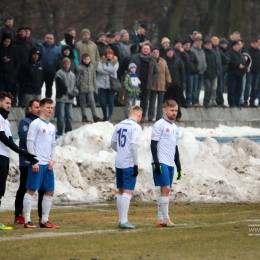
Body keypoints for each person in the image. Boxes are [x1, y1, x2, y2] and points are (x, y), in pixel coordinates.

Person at [0, 92, 37, 230]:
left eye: (10, 103)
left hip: (4, 156)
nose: (9, 106)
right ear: (0, 103)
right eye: (7, 103)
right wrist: (21, 151)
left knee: (1, 188)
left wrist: (25, 154)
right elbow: (2, 138)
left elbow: (9, 140)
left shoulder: (6, 121)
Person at [23, 97, 59, 229]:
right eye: (48, 107)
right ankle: (27, 220)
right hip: (37, 163)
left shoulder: (51, 126)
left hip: (48, 164)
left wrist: (53, 159)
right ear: (41, 108)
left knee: (50, 191)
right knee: (31, 190)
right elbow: (30, 142)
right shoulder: (35, 124)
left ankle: (44, 220)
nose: (50, 110)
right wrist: (34, 161)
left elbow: (53, 145)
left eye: (51, 107)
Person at [150, 99, 182, 227]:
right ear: (165, 110)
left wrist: (179, 167)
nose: (174, 113)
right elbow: (153, 144)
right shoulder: (159, 124)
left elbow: (176, 149)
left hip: (170, 163)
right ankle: (167, 219)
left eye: (176, 110)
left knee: (165, 191)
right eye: (172, 110)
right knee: (166, 189)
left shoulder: (175, 128)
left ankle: (160, 219)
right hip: (160, 161)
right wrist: (156, 162)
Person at [110, 105, 143, 229]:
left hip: (118, 162)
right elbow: (134, 147)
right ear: (139, 115)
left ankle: (121, 219)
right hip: (128, 163)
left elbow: (112, 144)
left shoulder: (119, 125)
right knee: (128, 191)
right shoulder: (136, 127)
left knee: (121, 190)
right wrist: (135, 163)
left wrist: (122, 151)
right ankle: (124, 221)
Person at [14, 99, 44, 224]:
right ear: (30, 109)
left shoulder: (43, 124)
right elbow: (28, 139)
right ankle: (18, 214)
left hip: (41, 160)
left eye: (39, 107)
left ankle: (42, 216)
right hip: (27, 161)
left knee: (42, 188)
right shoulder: (24, 123)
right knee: (25, 187)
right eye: (36, 107)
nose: (38, 109)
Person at [131, 44, 158, 122]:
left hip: (147, 83)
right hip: (136, 83)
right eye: (144, 48)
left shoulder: (152, 60)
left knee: (145, 101)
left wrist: (152, 79)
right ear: (141, 49)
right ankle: (133, 115)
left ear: (149, 50)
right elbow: (130, 68)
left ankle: (142, 116)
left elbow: (156, 72)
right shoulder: (135, 58)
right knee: (134, 100)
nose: (145, 50)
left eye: (147, 49)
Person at [55, 57, 78, 135]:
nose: (66, 65)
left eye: (67, 64)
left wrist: (75, 93)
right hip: (61, 98)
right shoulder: (59, 73)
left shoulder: (73, 75)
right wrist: (70, 93)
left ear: (70, 65)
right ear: (62, 64)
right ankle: (60, 132)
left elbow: (75, 86)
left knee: (69, 117)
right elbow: (61, 87)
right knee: (60, 116)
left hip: (70, 99)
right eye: (65, 63)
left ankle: (69, 132)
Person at [148, 47, 171, 121]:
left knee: (160, 103)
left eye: (157, 52)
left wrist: (168, 81)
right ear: (151, 53)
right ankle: (150, 116)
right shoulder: (149, 60)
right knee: (152, 102)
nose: (156, 54)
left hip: (162, 84)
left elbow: (167, 72)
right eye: (154, 52)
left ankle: (159, 116)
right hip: (153, 84)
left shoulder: (163, 61)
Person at [76, 54, 101, 122]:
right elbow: (77, 78)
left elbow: (94, 78)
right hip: (82, 87)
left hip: (90, 87)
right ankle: (84, 116)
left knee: (92, 101)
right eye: (85, 59)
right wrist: (78, 86)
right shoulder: (79, 67)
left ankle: (94, 115)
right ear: (82, 60)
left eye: (88, 59)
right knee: (83, 102)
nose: (86, 61)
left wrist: (95, 87)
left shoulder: (92, 67)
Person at [18, 47, 43, 114]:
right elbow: (21, 78)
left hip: (37, 92)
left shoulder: (40, 66)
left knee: (38, 111)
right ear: (31, 55)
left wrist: (39, 87)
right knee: (29, 110)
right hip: (28, 92)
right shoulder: (25, 65)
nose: (36, 56)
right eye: (34, 54)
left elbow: (41, 78)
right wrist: (25, 88)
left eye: (37, 55)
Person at [97, 49, 119, 121]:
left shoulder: (115, 62)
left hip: (111, 84)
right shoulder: (101, 61)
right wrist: (108, 71)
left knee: (110, 101)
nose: (109, 55)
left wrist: (105, 68)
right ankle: (105, 115)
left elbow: (114, 70)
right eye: (108, 54)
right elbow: (99, 70)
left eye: (111, 54)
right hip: (102, 84)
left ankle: (110, 116)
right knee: (102, 102)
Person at [164, 48, 185, 122]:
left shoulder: (178, 60)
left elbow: (182, 72)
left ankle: (178, 116)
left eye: (171, 52)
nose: (170, 53)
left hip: (176, 83)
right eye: (168, 52)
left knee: (177, 100)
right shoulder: (164, 61)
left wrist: (182, 82)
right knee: (167, 101)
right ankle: (167, 116)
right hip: (167, 84)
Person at [227, 41, 247, 107]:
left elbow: (244, 62)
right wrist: (237, 65)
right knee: (232, 89)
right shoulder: (230, 53)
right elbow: (230, 62)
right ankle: (232, 103)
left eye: (238, 45)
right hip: (232, 74)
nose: (237, 46)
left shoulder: (240, 53)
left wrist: (245, 68)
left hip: (240, 74)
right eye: (235, 45)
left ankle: (237, 102)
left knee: (239, 89)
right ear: (232, 46)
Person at [243, 39, 260, 107]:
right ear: (251, 44)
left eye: (256, 43)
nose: (255, 44)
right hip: (250, 72)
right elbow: (246, 60)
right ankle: (245, 100)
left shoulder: (258, 52)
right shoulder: (248, 51)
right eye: (253, 43)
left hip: (257, 72)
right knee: (248, 86)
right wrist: (247, 67)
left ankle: (252, 101)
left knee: (255, 87)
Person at [191, 37, 207, 106]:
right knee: (194, 88)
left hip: (202, 72)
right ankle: (194, 101)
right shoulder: (192, 50)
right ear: (194, 42)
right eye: (198, 41)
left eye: (201, 41)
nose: (199, 42)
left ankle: (197, 100)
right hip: (195, 72)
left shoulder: (202, 50)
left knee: (199, 88)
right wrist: (195, 69)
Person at [182, 39, 198, 107]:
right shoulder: (181, 53)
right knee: (182, 88)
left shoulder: (192, 53)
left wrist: (194, 69)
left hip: (191, 73)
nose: (187, 46)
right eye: (186, 45)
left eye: (189, 45)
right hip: (183, 73)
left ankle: (189, 101)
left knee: (190, 88)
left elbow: (196, 62)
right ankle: (182, 101)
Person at [203, 39, 218, 108]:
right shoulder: (204, 52)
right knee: (207, 88)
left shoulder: (213, 53)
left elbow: (215, 63)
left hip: (213, 73)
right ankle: (206, 101)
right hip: (206, 74)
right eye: (208, 44)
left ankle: (209, 101)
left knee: (212, 89)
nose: (209, 46)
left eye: (210, 44)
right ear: (205, 45)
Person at [216, 38, 230, 107]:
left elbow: (227, 60)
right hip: (220, 71)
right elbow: (226, 60)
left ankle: (220, 100)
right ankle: (219, 101)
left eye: (225, 44)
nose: (224, 45)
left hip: (223, 71)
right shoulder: (219, 51)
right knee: (219, 87)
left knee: (221, 87)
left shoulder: (225, 51)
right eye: (223, 44)